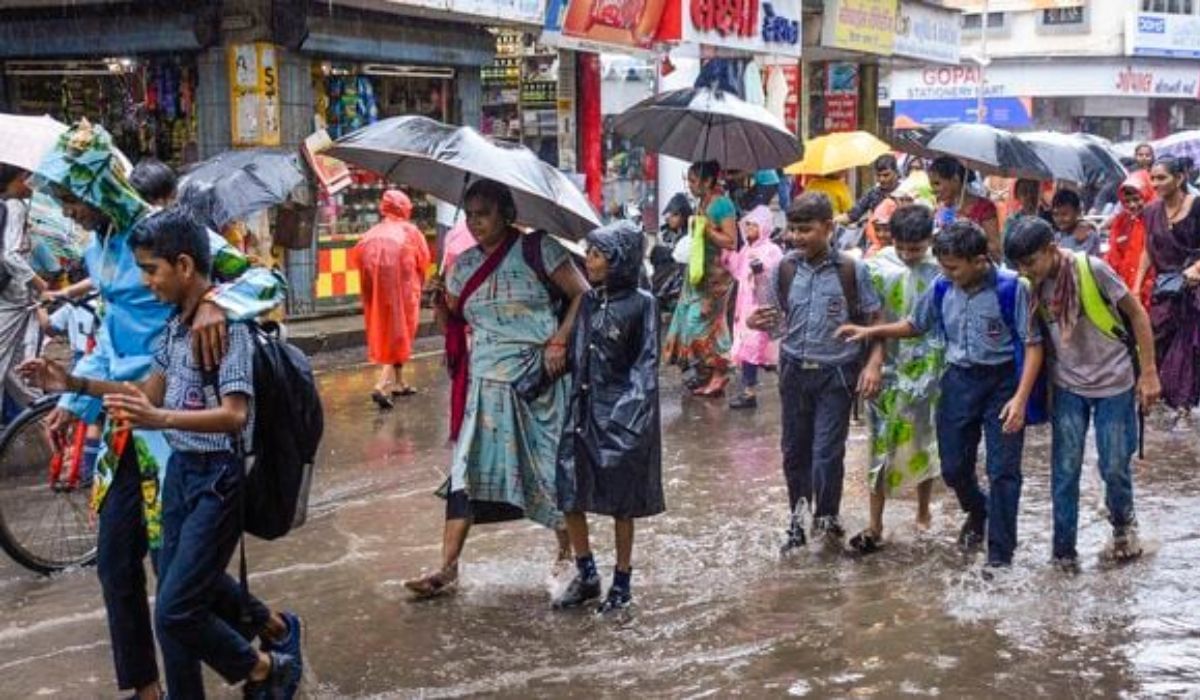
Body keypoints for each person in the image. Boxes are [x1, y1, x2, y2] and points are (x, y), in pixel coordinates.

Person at [32, 120, 289, 700]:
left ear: (98, 188)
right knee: (115, 565)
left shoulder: (164, 235)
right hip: (124, 420)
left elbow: (266, 282)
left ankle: (248, 645)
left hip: (175, 436)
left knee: (171, 579)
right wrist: (72, 400)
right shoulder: (98, 249)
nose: (70, 214)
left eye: (74, 199)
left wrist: (217, 305)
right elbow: (107, 340)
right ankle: (148, 689)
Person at [404, 179, 588, 599]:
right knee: (465, 473)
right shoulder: (462, 266)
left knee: (548, 469)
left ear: (507, 213)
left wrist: (560, 339)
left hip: (538, 381)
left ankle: (568, 556)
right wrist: (437, 301)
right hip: (485, 386)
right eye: (469, 214)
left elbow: (582, 296)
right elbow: (449, 323)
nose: (475, 221)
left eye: (483, 213)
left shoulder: (540, 249)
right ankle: (447, 568)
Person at [838, 221, 1043, 572]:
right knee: (953, 467)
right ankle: (979, 511)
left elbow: (1032, 345)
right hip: (959, 380)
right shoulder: (941, 287)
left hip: (1003, 382)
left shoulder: (1013, 288)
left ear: (979, 261)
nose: (946, 273)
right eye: (944, 266)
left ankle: (999, 558)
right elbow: (915, 325)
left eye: (952, 267)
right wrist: (872, 331)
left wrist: (1021, 399)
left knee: (1003, 470)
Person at [1004, 217, 1160, 571]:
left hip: (1115, 382)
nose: (1024, 271)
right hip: (1068, 386)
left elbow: (1137, 316)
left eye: (1029, 262)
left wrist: (1149, 373)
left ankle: (1123, 526)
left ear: (1050, 250)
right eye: (1018, 265)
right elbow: (1035, 342)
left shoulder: (1093, 269)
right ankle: (1063, 553)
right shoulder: (1030, 286)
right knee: (1064, 470)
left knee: (1114, 464)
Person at [746, 193, 884, 553]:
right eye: (792, 229)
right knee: (794, 451)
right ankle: (797, 519)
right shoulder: (785, 269)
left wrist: (872, 363)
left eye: (805, 229)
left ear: (828, 228)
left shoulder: (853, 271)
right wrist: (755, 322)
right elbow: (775, 322)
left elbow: (874, 320)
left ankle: (826, 516)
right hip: (793, 370)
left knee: (826, 452)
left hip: (836, 373)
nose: (797, 237)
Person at [553, 221, 663, 614]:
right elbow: (571, 357)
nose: (589, 260)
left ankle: (622, 579)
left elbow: (646, 364)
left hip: (621, 418)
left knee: (622, 503)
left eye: (597, 254)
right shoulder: (587, 302)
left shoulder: (643, 304)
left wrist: (629, 416)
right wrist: (529, 382)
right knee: (569, 490)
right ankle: (586, 573)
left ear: (618, 260)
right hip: (582, 410)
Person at [843, 204, 944, 554]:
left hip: (930, 366)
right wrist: (873, 361)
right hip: (885, 365)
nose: (908, 255)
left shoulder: (942, 269)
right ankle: (875, 523)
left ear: (930, 240)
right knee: (879, 444)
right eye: (902, 247)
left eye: (915, 249)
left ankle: (923, 511)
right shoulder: (875, 267)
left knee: (924, 438)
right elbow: (871, 318)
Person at [1134, 156, 1200, 422]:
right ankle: (1162, 407)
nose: (1156, 183)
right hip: (1165, 291)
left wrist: (1196, 269)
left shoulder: (1196, 206)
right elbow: (1148, 249)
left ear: (1180, 178)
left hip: (1193, 290)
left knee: (1186, 352)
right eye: (1153, 178)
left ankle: (1183, 409)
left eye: (1162, 177)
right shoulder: (1151, 211)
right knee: (1157, 346)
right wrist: (1137, 285)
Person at [663, 160, 737, 397]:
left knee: (701, 325)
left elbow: (731, 241)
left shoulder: (722, 205)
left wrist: (707, 231)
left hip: (716, 279)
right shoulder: (702, 203)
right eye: (689, 180)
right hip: (698, 275)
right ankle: (709, 375)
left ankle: (720, 372)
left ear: (708, 181)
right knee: (694, 323)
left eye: (694, 181)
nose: (691, 186)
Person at [353, 189, 431, 409]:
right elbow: (423, 260)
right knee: (399, 333)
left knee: (385, 329)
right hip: (403, 292)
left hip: (375, 291)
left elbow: (357, 258)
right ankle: (381, 385)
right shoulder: (410, 232)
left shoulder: (371, 233)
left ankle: (399, 382)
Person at [723, 205, 783, 410]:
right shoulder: (746, 250)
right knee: (750, 348)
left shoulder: (772, 250)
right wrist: (727, 255)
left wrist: (760, 269)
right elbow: (737, 270)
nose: (748, 228)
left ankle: (778, 385)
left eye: (753, 225)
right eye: (747, 224)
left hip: (763, 304)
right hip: (745, 306)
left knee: (763, 347)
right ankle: (749, 392)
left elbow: (774, 276)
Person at [0, 164, 47, 421]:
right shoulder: (15, 207)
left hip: (10, 297)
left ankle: (42, 412)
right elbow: (9, 254)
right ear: (20, 179)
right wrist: (40, 284)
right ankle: (42, 410)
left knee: (14, 367)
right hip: (13, 297)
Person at [928, 156, 1001, 261]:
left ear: (955, 180)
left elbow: (996, 248)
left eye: (937, 183)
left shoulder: (984, 208)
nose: (933, 189)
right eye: (931, 184)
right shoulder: (939, 208)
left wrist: (970, 233)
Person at [1106, 171, 1156, 308]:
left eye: (1137, 199)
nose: (1132, 205)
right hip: (1126, 290)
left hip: (1152, 291)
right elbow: (1113, 256)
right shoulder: (1121, 222)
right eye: (1127, 201)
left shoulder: (1159, 220)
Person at [648, 192, 691, 316]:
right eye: (670, 214)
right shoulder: (666, 234)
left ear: (684, 216)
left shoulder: (689, 236)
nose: (670, 217)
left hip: (682, 282)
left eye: (675, 215)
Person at [839, 154, 901, 227]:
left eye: (886, 175)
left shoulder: (905, 192)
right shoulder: (873, 193)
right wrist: (833, 221)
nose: (881, 179)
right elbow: (852, 215)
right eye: (878, 175)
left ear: (896, 173)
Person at [1051, 189, 1100, 256]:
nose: (1059, 219)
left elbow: (1082, 261)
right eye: (1056, 214)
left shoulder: (1088, 235)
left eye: (1064, 214)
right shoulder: (1057, 236)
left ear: (1078, 212)